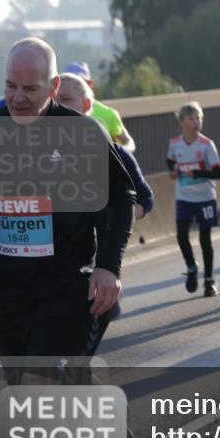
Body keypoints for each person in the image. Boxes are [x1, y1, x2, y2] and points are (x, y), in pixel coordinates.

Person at [0, 38, 134, 438]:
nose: (17, 97)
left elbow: (120, 203)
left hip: (64, 284)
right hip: (8, 289)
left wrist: (108, 268)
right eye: (10, 86)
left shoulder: (81, 134)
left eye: (29, 88)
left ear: (54, 87)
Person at [56, 72, 154, 353]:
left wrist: (115, 219)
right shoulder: (34, 151)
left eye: (66, 99)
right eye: (52, 99)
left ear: (87, 107)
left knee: (74, 348)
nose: (57, 106)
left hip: (92, 264)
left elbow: (145, 197)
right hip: (50, 269)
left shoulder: (113, 152)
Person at [167, 102, 220, 297]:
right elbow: (171, 161)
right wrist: (173, 171)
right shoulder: (175, 143)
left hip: (205, 197)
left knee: (205, 239)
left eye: (199, 118)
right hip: (184, 197)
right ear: (181, 123)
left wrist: (198, 172)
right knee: (181, 235)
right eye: (191, 119)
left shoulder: (207, 145)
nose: (196, 122)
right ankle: (191, 267)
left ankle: (209, 281)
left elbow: (218, 173)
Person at [57, 61, 137, 152]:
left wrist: (118, 152)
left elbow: (128, 141)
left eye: (79, 81)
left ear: (90, 83)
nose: (73, 86)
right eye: (68, 80)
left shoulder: (108, 114)